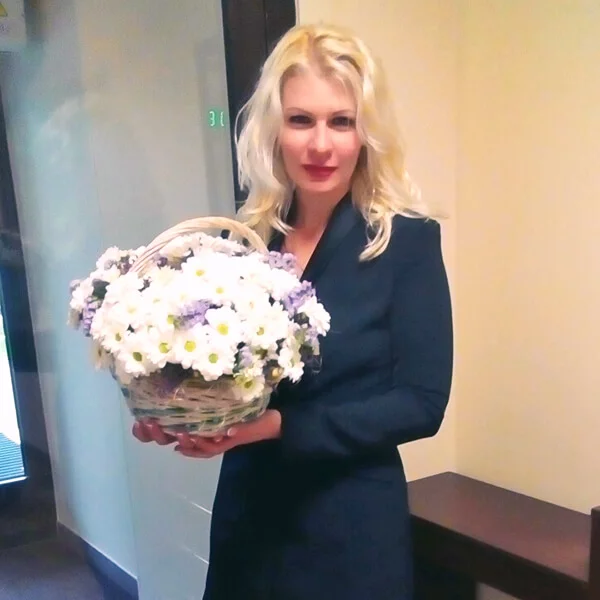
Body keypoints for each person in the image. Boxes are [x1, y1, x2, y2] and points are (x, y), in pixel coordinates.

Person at [133, 22, 453, 600]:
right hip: (250, 516)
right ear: (274, 129)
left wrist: (279, 426)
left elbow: (421, 404)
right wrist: (176, 410)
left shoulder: (405, 242)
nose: (320, 144)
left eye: (341, 121)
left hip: (349, 526)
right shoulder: (245, 242)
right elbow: (217, 373)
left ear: (365, 132)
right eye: (301, 120)